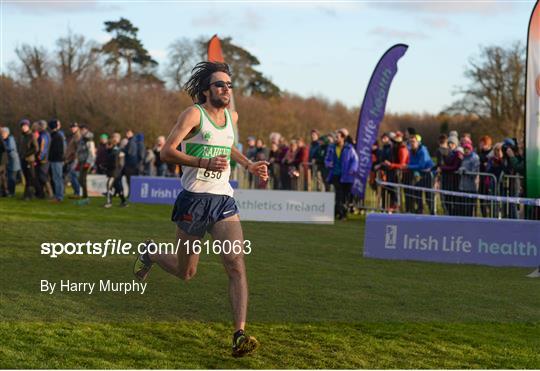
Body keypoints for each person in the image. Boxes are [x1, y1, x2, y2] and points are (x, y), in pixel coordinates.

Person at [132, 61, 267, 357]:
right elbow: (167, 151)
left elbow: (227, 144)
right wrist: (204, 162)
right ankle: (151, 252)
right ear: (207, 90)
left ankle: (239, 335)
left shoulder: (232, 115)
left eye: (230, 85)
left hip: (222, 200)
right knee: (186, 272)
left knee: (234, 262)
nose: (226, 89)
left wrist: (248, 164)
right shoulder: (194, 114)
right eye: (220, 84)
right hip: (194, 200)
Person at [324, 130, 359, 220]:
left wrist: (352, 169)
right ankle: (341, 214)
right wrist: (328, 163)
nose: (335, 139)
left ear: (343, 138)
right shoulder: (331, 147)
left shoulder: (349, 148)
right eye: (335, 137)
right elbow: (327, 159)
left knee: (345, 195)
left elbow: (355, 160)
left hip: (347, 176)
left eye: (337, 137)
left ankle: (340, 212)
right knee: (339, 194)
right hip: (336, 174)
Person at [405, 134, 434, 214]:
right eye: (410, 142)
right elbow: (411, 163)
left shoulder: (423, 151)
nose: (412, 143)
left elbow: (422, 165)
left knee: (429, 195)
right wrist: (409, 167)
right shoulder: (411, 151)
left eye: (413, 142)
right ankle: (420, 210)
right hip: (421, 174)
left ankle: (432, 212)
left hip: (429, 174)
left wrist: (408, 167)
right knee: (416, 191)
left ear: (418, 142)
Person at [104, 132, 127, 208]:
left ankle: (109, 202)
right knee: (117, 187)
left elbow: (118, 163)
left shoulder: (116, 151)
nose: (106, 146)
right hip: (114, 172)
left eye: (107, 145)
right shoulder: (112, 151)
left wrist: (106, 166)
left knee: (109, 186)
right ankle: (124, 202)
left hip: (114, 172)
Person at [18, 119, 38, 200]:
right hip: (23, 159)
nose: (24, 128)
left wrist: (26, 154)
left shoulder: (32, 135)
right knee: (26, 177)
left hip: (29, 160)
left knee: (30, 177)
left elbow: (36, 148)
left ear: (28, 126)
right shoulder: (22, 136)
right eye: (22, 126)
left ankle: (30, 195)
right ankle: (26, 194)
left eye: (25, 126)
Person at [48, 119, 65, 203]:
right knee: (56, 178)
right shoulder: (55, 135)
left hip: (57, 160)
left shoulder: (57, 136)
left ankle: (59, 197)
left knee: (58, 178)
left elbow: (58, 150)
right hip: (54, 160)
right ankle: (57, 195)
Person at [77, 124, 96, 200]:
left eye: (81, 130)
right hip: (82, 161)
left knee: (82, 179)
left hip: (86, 162)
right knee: (81, 179)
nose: (80, 131)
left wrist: (88, 162)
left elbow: (91, 152)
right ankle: (85, 195)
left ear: (85, 130)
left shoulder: (89, 139)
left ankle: (85, 195)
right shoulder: (83, 138)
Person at [1, 127, 21, 196]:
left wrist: (3, 146)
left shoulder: (10, 139)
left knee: (12, 177)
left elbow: (10, 148)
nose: (3, 134)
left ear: (7, 133)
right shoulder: (5, 139)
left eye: (4, 133)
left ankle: (12, 193)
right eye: (2, 133)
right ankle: (8, 191)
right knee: (8, 177)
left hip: (13, 160)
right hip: (8, 160)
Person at [65, 123, 82, 198]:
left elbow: (78, 149)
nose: (72, 128)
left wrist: (73, 156)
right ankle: (76, 192)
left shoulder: (78, 136)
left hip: (75, 159)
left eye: (74, 127)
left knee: (73, 175)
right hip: (71, 159)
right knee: (72, 176)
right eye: (71, 127)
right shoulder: (74, 136)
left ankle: (77, 192)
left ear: (77, 128)